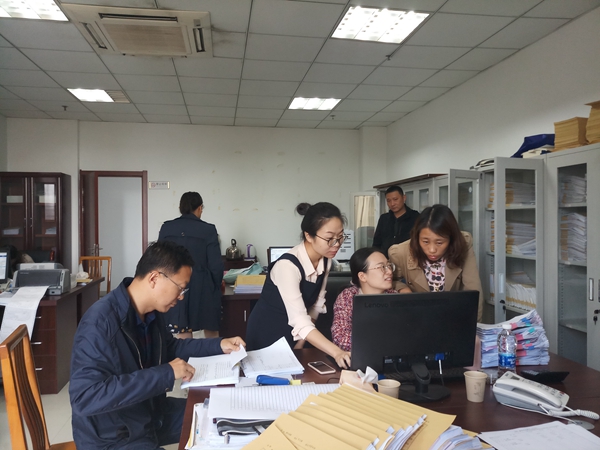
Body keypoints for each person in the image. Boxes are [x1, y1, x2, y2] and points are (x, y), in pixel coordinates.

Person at [69, 240, 244, 450]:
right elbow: (85, 397)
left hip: (150, 412)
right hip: (115, 435)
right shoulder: (100, 322)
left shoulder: (151, 312)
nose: (181, 297)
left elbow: (171, 348)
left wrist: (219, 345)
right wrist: (165, 373)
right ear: (154, 278)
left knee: (220, 410)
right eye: (180, 288)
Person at [245, 202, 351, 369]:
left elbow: (316, 305)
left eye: (340, 237)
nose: (336, 244)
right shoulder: (287, 266)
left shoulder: (326, 260)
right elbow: (300, 320)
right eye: (329, 238)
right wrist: (337, 352)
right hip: (268, 332)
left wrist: (301, 341)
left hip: (300, 331)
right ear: (308, 236)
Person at [388, 204, 484, 321]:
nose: (432, 249)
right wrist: (403, 289)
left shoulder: (463, 244)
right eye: (425, 242)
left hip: (453, 315)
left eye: (439, 243)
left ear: (451, 239)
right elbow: (390, 282)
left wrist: (472, 326)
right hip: (416, 317)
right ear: (417, 237)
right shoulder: (400, 252)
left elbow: (473, 291)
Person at [158, 192, 224, 339]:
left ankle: (186, 353)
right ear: (200, 208)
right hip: (202, 284)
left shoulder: (167, 228)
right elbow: (216, 265)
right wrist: (215, 287)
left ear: (180, 208)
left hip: (174, 284)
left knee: (182, 327)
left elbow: (160, 260)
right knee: (210, 327)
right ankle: (214, 353)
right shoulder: (208, 230)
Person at [331, 247, 397, 352]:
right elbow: (340, 338)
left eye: (389, 266)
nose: (389, 271)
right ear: (362, 276)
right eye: (382, 267)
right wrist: (382, 343)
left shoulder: (395, 296)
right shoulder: (348, 297)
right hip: (362, 357)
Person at [372, 185, 420, 257]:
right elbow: (376, 243)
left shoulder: (415, 217)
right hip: (386, 260)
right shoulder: (384, 219)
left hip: (407, 260)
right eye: (388, 201)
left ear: (404, 198)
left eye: (395, 199)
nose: (392, 204)